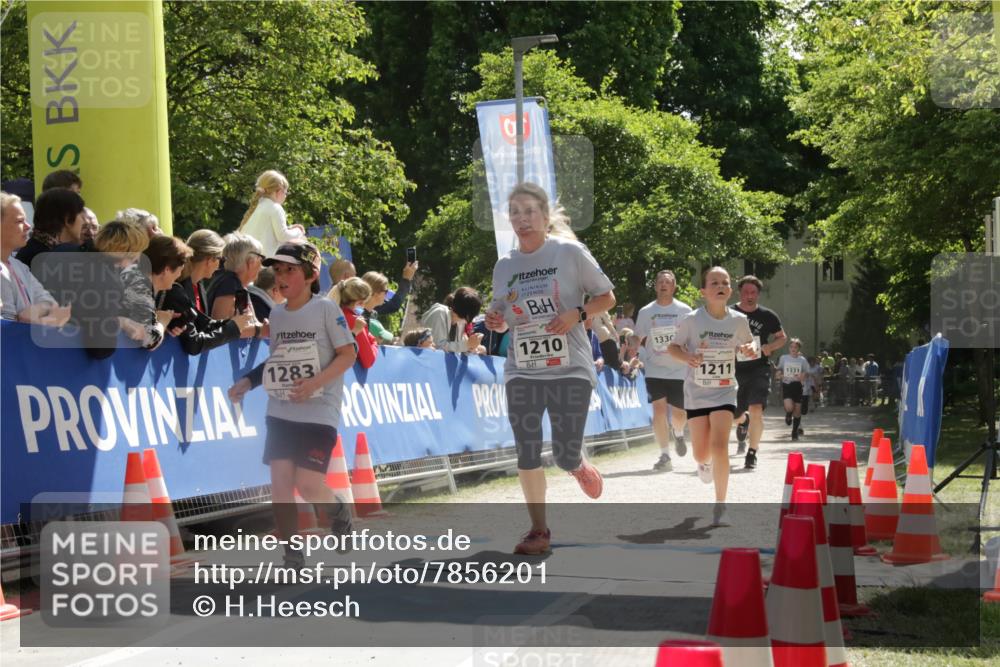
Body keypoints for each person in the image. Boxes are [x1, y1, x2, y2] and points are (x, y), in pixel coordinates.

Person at [485, 182, 615, 555]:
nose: (521, 219)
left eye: (529, 211)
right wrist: (496, 320)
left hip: (570, 366)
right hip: (522, 368)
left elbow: (607, 296)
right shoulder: (506, 265)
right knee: (526, 447)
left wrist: (577, 313)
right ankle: (538, 531)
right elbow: (502, 312)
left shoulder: (569, 252)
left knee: (562, 451)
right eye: (514, 212)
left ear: (545, 216)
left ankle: (574, 463)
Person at [228, 241, 356, 569]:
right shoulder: (277, 313)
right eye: (278, 269)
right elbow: (277, 360)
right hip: (281, 410)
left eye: (290, 270)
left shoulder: (326, 309)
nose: (281, 276)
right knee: (281, 483)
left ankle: (338, 508)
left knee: (308, 484)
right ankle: (292, 555)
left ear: (312, 275)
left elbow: (348, 354)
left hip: (319, 410)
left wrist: (315, 383)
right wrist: (249, 381)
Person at [668, 266, 755, 527]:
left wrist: (749, 348)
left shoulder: (738, 320)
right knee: (701, 453)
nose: (720, 285)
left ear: (730, 290)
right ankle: (703, 464)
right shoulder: (692, 320)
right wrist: (688, 357)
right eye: (714, 282)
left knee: (720, 446)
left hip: (725, 390)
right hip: (696, 392)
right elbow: (673, 347)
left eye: (725, 282)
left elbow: (748, 345)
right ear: (703, 291)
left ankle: (720, 505)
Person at [148, 235, 259, 355]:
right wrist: (162, 323)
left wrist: (234, 323)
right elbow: (194, 344)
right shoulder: (175, 290)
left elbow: (204, 324)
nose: (220, 267)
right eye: (221, 260)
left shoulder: (196, 286)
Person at [635, 269, 693, 472]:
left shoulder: (685, 310)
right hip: (654, 368)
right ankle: (664, 455)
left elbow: (691, 339)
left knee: (679, 414)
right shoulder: (645, 312)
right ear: (655, 285)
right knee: (658, 410)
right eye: (660, 281)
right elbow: (638, 337)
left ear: (674, 286)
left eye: (668, 282)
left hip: (679, 369)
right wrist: (631, 346)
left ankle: (678, 432)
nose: (663, 284)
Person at [731, 275, 786, 470]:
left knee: (756, 409)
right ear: (739, 293)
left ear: (758, 294)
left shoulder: (768, 316)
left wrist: (770, 347)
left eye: (753, 292)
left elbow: (782, 337)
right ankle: (742, 420)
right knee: (734, 415)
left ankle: (752, 452)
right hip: (734, 370)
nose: (749, 296)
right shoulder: (729, 312)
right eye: (745, 292)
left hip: (759, 368)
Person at [0, 192, 71, 325]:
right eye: (20, 221)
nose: (28, 226)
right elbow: (7, 326)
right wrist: (43, 319)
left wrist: (32, 313)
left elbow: (50, 302)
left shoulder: (20, 266)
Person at [237, 169, 305, 257]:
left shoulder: (256, 207)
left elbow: (267, 230)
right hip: (263, 265)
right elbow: (283, 237)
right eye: (286, 192)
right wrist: (298, 231)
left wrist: (290, 228)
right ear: (279, 191)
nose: (285, 196)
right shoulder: (275, 208)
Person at [16, 187, 86, 269]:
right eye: (81, 214)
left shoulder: (35, 249)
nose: (84, 221)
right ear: (67, 219)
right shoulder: (50, 257)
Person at [207, 232, 265, 321]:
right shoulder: (229, 284)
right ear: (251, 262)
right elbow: (221, 329)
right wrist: (259, 330)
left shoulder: (235, 283)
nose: (262, 267)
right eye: (261, 259)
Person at [421, 287, 485, 354]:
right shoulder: (439, 313)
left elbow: (459, 349)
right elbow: (436, 346)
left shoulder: (460, 322)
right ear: (468, 314)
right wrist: (467, 345)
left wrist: (473, 348)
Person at [334, 276, 378, 369]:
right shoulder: (356, 322)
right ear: (359, 302)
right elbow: (368, 361)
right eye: (364, 302)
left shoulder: (330, 313)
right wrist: (374, 343)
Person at [777, 339, 808, 440]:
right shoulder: (784, 358)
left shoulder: (802, 360)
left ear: (799, 349)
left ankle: (794, 432)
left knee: (798, 411)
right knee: (790, 407)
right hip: (787, 385)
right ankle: (788, 414)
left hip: (798, 386)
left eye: (795, 347)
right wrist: (779, 374)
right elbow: (779, 369)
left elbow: (806, 373)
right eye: (791, 347)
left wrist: (802, 376)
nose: (793, 349)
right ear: (789, 348)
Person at [360, 271, 395, 344]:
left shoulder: (368, 314)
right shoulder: (359, 315)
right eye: (386, 291)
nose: (387, 294)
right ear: (376, 293)